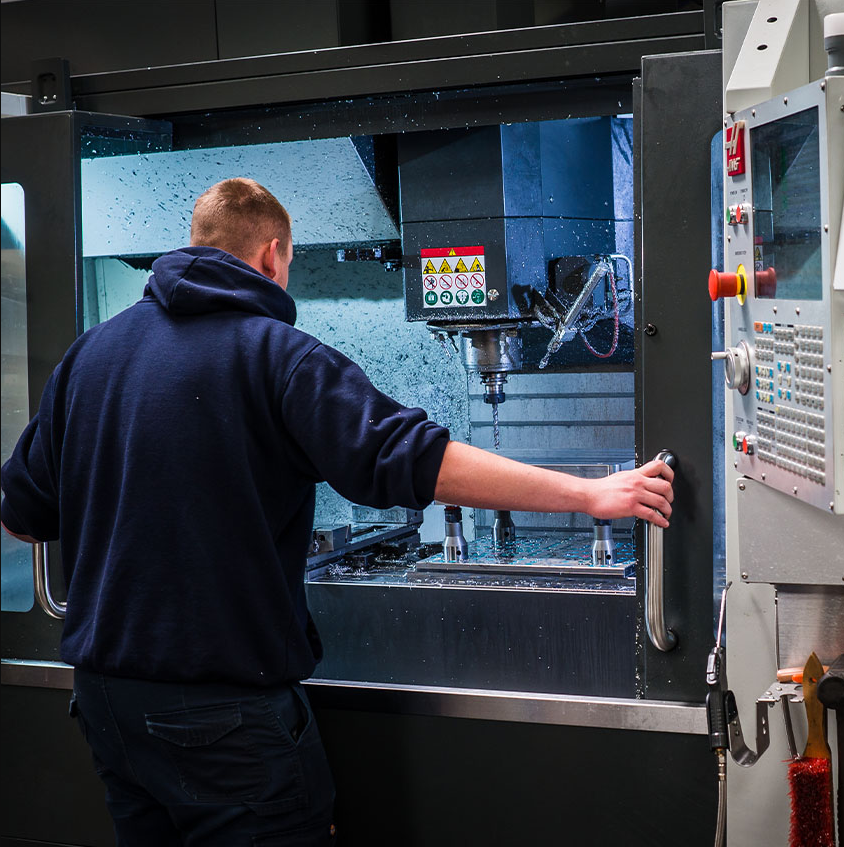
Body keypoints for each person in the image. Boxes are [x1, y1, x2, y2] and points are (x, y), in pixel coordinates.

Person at [1, 177, 673, 846]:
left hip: (107, 706)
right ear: (272, 254)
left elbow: (23, 515)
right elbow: (416, 460)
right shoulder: (274, 354)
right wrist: (589, 493)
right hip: (222, 721)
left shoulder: (89, 357)